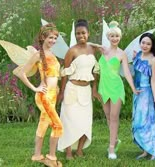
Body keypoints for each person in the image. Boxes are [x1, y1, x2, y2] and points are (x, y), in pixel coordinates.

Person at [13, 23, 63, 167]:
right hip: (44, 95)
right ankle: (51, 157)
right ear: (42, 37)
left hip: (53, 94)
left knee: (44, 123)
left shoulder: (52, 54)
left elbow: (54, 75)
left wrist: (57, 88)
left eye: (55, 38)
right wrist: (35, 88)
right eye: (50, 38)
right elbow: (21, 73)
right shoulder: (37, 55)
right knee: (57, 125)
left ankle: (37, 155)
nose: (53, 40)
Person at [94, 21, 139, 160]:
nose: (114, 39)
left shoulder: (122, 54)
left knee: (114, 117)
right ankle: (115, 139)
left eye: (117, 36)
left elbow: (126, 72)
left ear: (120, 38)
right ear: (108, 37)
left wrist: (133, 89)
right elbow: (87, 45)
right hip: (103, 87)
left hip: (116, 88)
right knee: (108, 116)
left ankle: (111, 149)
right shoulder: (103, 51)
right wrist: (98, 46)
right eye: (112, 36)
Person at [57, 19, 99, 159]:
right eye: (77, 34)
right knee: (68, 121)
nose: (81, 36)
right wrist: (61, 92)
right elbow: (65, 73)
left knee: (85, 121)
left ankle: (79, 150)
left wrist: (94, 89)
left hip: (86, 90)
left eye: (83, 33)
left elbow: (95, 71)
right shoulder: (72, 51)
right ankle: (69, 152)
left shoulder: (92, 49)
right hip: (72, 89)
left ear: (88, 33)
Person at [132, 33, 155, 160]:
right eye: (143, 43)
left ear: (152, 46)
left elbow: (154, 80)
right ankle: (145, 150)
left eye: (148, 44)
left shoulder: (153, 60)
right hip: (137, 94)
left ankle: (154, 151)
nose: (145, 46)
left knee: (147, 122)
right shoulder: (138, 55)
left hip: (146, 94)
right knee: (138, 121)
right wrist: (135, 58)